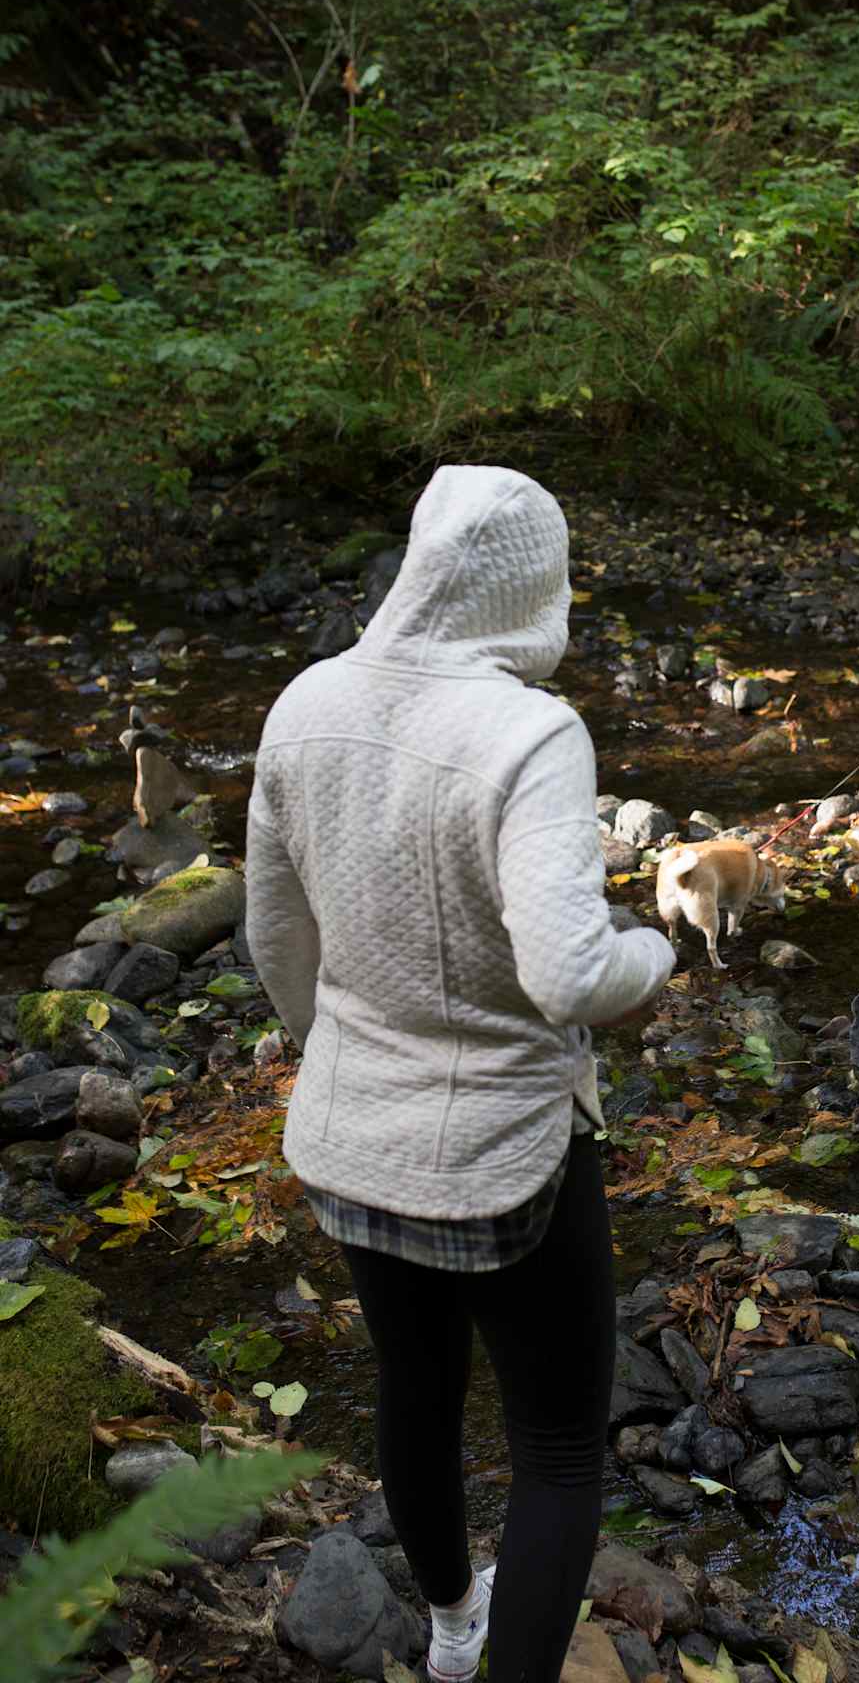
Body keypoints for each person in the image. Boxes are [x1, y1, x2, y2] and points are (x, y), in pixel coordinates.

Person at [244, 467, 675, 1683]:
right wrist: (654, 952)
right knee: (554, 1449)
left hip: (346, 1135)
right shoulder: (530, 732)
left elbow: (278, 942)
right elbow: (571, 976)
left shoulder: (303, 704)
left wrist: (325, 1044)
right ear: (537, 592)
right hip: (504, 1156)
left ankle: (448, 1631)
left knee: (414, 1389)